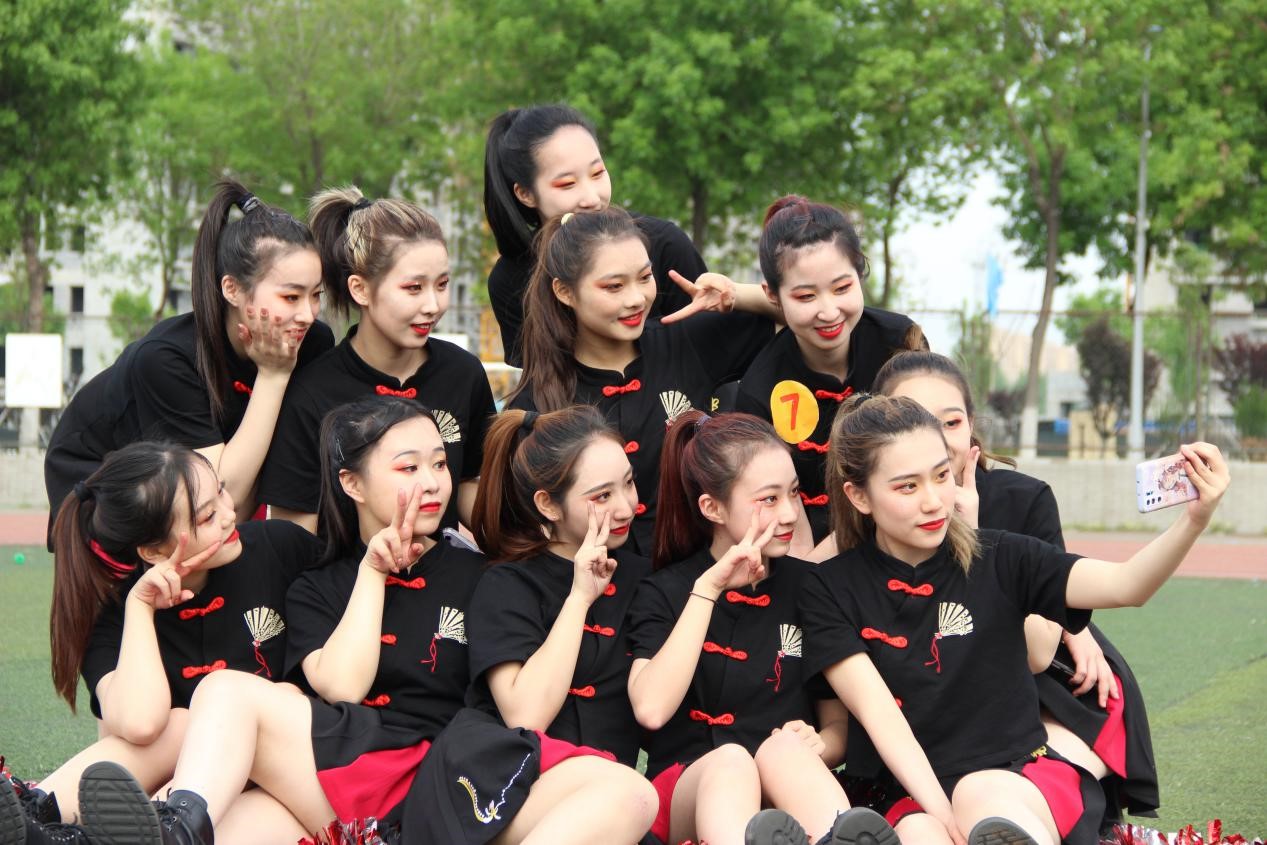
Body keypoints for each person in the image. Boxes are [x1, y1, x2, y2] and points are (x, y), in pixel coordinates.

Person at [800, 393, 1228, 845]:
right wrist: (946, 820)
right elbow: (880, 715)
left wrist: (1195, 519)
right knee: (918, 831)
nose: (933, 501)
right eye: (907, 487)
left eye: (942, 476)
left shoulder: (1003, 556)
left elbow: (1127, 585)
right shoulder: (828, 588)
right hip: (905, 792)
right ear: (859, 495)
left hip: (1015, 778)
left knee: (982, 796)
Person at [872, 351, 1158, 824]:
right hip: (936, 688)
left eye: (951, 422)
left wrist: (971, 535)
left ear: (971, 426)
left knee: (1013, 781)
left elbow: (1039, 654)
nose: (935, 440)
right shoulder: (875, 503)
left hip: (1040, 682)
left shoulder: (1022, 498)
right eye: (915, 421)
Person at [11, 442, 317, 842]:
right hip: (198, 798)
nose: (230, 515)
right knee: (178, 727)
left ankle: (56, 821)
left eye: (222, 492)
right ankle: (33, 817)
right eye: (208, 516)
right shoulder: (116, 614)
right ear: (153, 551)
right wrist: (141, 609)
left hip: (291, 780)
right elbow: (140, 723)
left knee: (216, 717)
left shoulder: (280, 548)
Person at [627, 410, 899, 845]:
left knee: (782, 750)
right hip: (690, 790)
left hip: (782, 796)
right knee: (732, 761)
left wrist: (817, 744)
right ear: (712, 507)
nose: (790, 513)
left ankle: (834, 837)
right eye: (769, 499)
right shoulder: (665, 591)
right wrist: (708, 590)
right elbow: (651, 709)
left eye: (793, 492)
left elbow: (837, 729)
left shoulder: (811, 588)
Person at [44, 180, 333, 544]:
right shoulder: (167, 359)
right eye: (291, 297)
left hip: (205, 489)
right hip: (104, 485)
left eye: (316, 295)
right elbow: (221, 498)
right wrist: (273, 376)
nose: (307, 314)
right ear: (232, 289)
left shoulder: (312, 343)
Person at [507, 206, 777, 554]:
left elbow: (807, 313)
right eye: (614, 286)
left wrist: (736, 294)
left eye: (645, 277)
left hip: (698, 573)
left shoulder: (686, 341)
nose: (636, 299)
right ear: (565, 292)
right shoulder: (539, 402)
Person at [459, 405, 659, 842]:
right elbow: (525, 716)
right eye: (602, 496)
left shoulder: (644, 579)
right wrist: (580, 598)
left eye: (628, 483)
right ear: (548, 504)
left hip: (614, 802)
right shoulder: (506, 583)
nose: (627, 506)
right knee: (629, 794)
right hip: (510, 791)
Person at [258, 187, 496, 534]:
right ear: (361, 289)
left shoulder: (463, 373)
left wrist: (515, 539)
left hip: (440, 568)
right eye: (413, 288)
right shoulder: (311, 391)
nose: (433, 305)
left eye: (442, 284)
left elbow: (468, 482)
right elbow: (292, 529)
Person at [734, 196, 925, 543]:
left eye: (842, 288)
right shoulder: (760, 389)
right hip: (812, 552)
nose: (829, 311)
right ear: (772, 295)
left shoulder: (900, 343)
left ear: (860, 274)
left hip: (909, 533)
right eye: (805, 296)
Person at [483, 103, 706, 365]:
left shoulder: (664, 244)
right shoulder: (510, 280)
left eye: (597, 173)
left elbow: (709, 348)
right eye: (567, 184)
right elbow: (537, 378)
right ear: (525, 194)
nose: (591, 198)